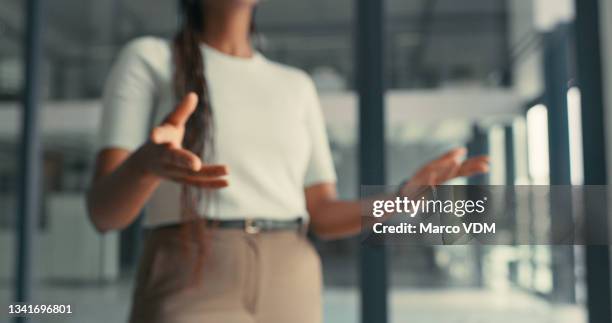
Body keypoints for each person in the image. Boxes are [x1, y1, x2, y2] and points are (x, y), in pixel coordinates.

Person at [86, 0, 490, 322]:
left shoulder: (296, 86)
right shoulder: (150, 59)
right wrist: (144, 165)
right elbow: (105, 215)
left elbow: (325, 215)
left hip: (292, 276)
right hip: (190, 268)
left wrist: (405, 198)